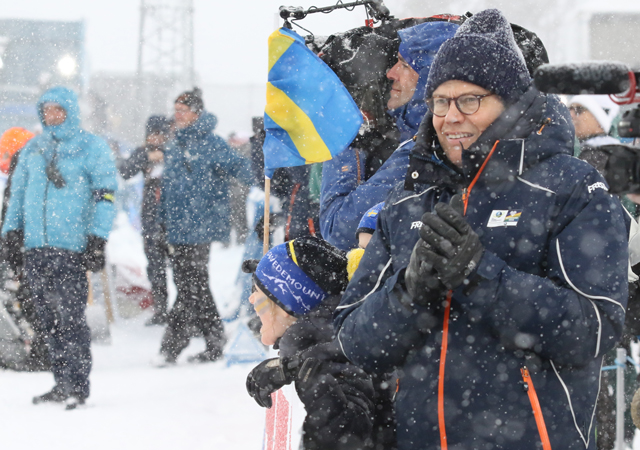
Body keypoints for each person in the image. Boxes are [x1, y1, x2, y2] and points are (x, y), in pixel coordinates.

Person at [334, 9, 629, 449]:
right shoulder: (408, 198)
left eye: (469, 100)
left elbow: (593, 331)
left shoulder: (570, 185)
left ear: (511, 106)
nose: (451, 117)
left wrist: (481, 277)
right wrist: (408, 292)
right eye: (440, 101)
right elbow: (352, 343)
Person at [2, 86, 117, 409]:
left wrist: (97, 236)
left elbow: (105, 194)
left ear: (70, 111)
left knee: (71, 318)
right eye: (47, 110)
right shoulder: (34, 150)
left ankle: (78, 385)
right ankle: (59, 380)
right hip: (36, 247)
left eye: (58, 110)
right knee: (45, 319)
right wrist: (11, 232)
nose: (52, 116)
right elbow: (18, 196)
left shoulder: (91, 148)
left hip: (71, 248)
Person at [320, 20, 459, 251]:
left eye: (404, 64)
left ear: (430, 74)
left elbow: (337, 228)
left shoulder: (426, 147)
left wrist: (345, 134)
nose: (390, 73)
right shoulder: (400, 127)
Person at [245, 236, 375, 450]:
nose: (251, 300)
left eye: (259, 298)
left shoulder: (338, 351)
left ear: (286, 309)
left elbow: (353, 435)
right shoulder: (319, 343)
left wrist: (321, 394)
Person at [157, 88, 253, 364]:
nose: (177, 116)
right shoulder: (174, 146)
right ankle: (212, 341)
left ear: (196, 113)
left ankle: (173, 344)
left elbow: (240, 168)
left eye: (182, 110)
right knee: (190, 283)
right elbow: (169, 188)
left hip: (202, 225)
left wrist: (260, 169)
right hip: (177, 226)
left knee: (190, 284)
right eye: (175, 110)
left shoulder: (212, 144)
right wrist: (163, 223)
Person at [118, 115, 172, 326]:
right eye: (151, 134)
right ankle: (161, 309)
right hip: (150, 219)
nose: (155, 138)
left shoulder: (175, 151)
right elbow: (126, 170)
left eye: (159, 134)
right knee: (155, 266)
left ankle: (184, 313)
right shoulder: (143, 152)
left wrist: (165, 155)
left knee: (181, 269)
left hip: (174, 220)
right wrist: (146, 157)